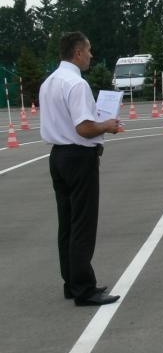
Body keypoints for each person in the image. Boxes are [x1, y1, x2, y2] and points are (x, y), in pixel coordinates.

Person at [40, 31, 121, 306]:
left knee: (67, 222)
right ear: (77, 52)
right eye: (88, 50)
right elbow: (84, 128)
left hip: (58, 156)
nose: (91, 55)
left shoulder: (50, 82)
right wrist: (107, 125)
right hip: (78, 157)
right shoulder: (76, 84)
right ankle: (85, 289)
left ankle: (72, 282)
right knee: (83, 225)